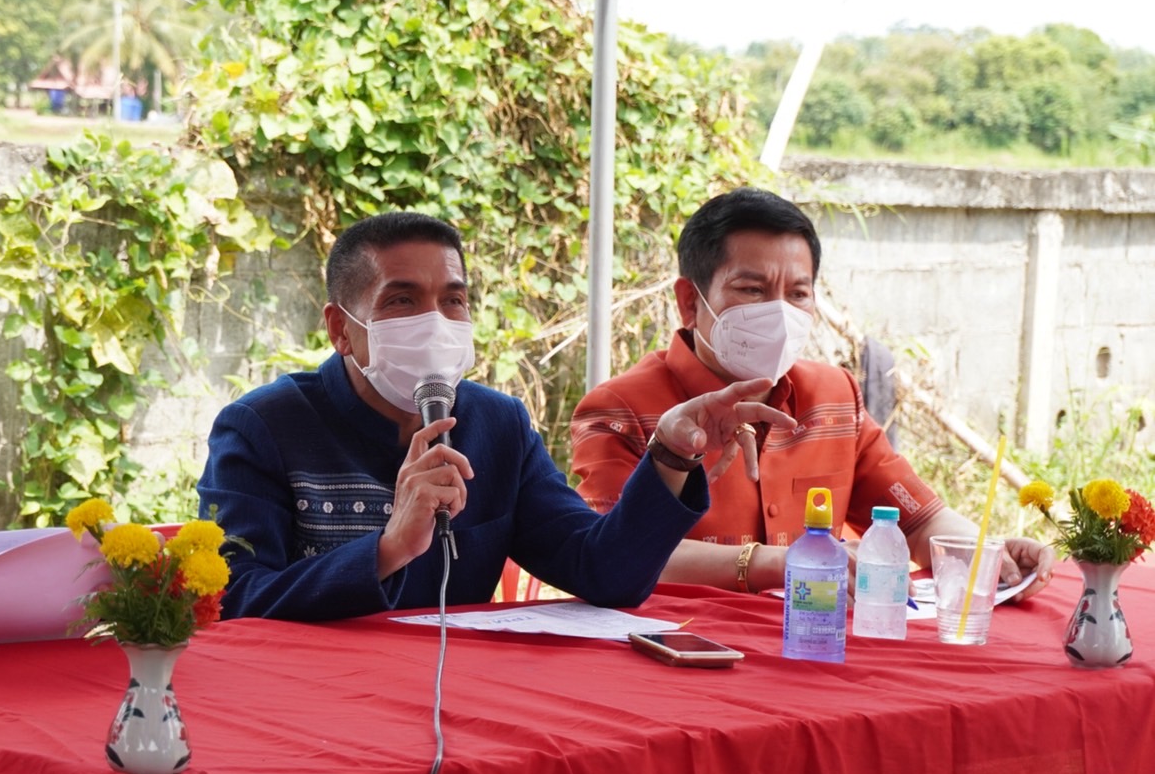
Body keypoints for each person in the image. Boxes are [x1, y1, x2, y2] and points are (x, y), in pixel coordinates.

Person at [199, 211, 794, 621]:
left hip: (459, 710)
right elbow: (233, 601)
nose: (435, 323)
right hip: (316, 708)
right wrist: (387, 550)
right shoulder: (263, 427)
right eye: (402, 300)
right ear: (340, 329)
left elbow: (602, 570)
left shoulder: (497, 425)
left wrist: (669, 454)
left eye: (453, 300)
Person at [569, 187, 1054, 599]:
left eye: (798, 294)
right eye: (752, 290)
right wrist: (776, 563)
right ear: (690, 302)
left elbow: (919, 522)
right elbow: (609, 552)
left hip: (816, 647)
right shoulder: (618, 410)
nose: (779, 313)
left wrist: (985, 554)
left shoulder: (835, 395)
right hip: (680, 651)